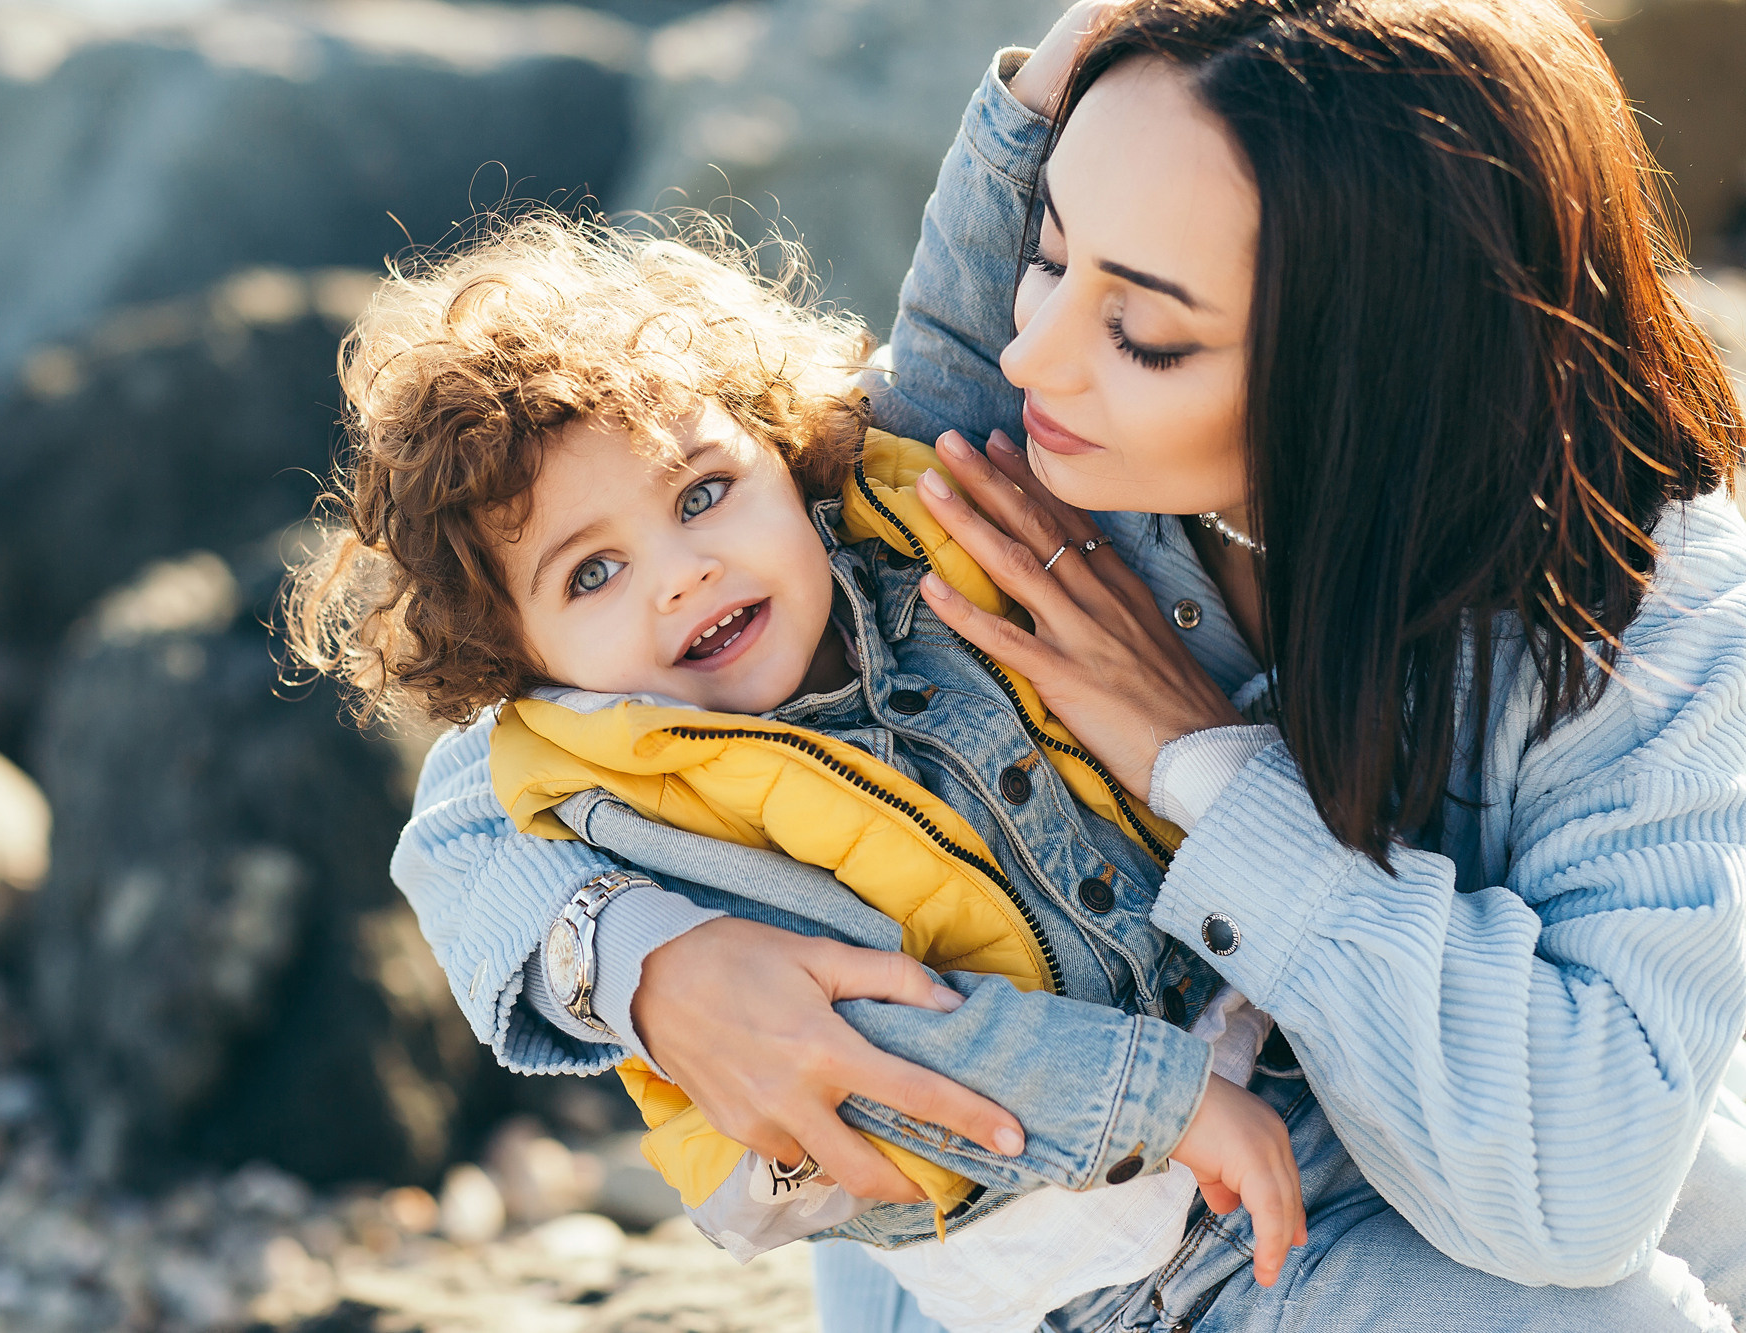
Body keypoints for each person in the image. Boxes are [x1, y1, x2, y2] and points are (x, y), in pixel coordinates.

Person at [383, 0, 1746, 1329]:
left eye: (1147, 333)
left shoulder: (1658, 614)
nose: (1036, 355)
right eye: (1048, 252)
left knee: (1700, 1204)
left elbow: (1579, 1183)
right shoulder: (994, 467)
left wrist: (1207, 764)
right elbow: (485, 779)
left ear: (1379, 356)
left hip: (1404, 1188)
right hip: (1060, 1277)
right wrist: (646, 962)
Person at [286, 212, 1312, 1333]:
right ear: (521, 666)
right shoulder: (644, 810)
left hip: (1266, 1059)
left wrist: (1025, 104)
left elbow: (959, 312)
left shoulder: (900, 541)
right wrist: (1159, 1106)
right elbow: (874, 1041)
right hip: (1090, 1255)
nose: (682, 574)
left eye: (699, 495)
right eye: (593, 574)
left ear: (785, 450)